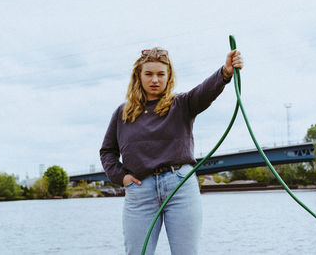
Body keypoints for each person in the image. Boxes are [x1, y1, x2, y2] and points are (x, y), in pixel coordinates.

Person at [100, 47, 243, 255]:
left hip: (181, 187)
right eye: (148, 74)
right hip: (140, 191)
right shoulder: (123, 113)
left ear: (169, 77)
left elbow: (204, 92)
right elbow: (107, 151)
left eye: (161, 74)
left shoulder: (182, 104)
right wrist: (121, 177)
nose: (155, 79)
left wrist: (225, 72)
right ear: (138, 76)